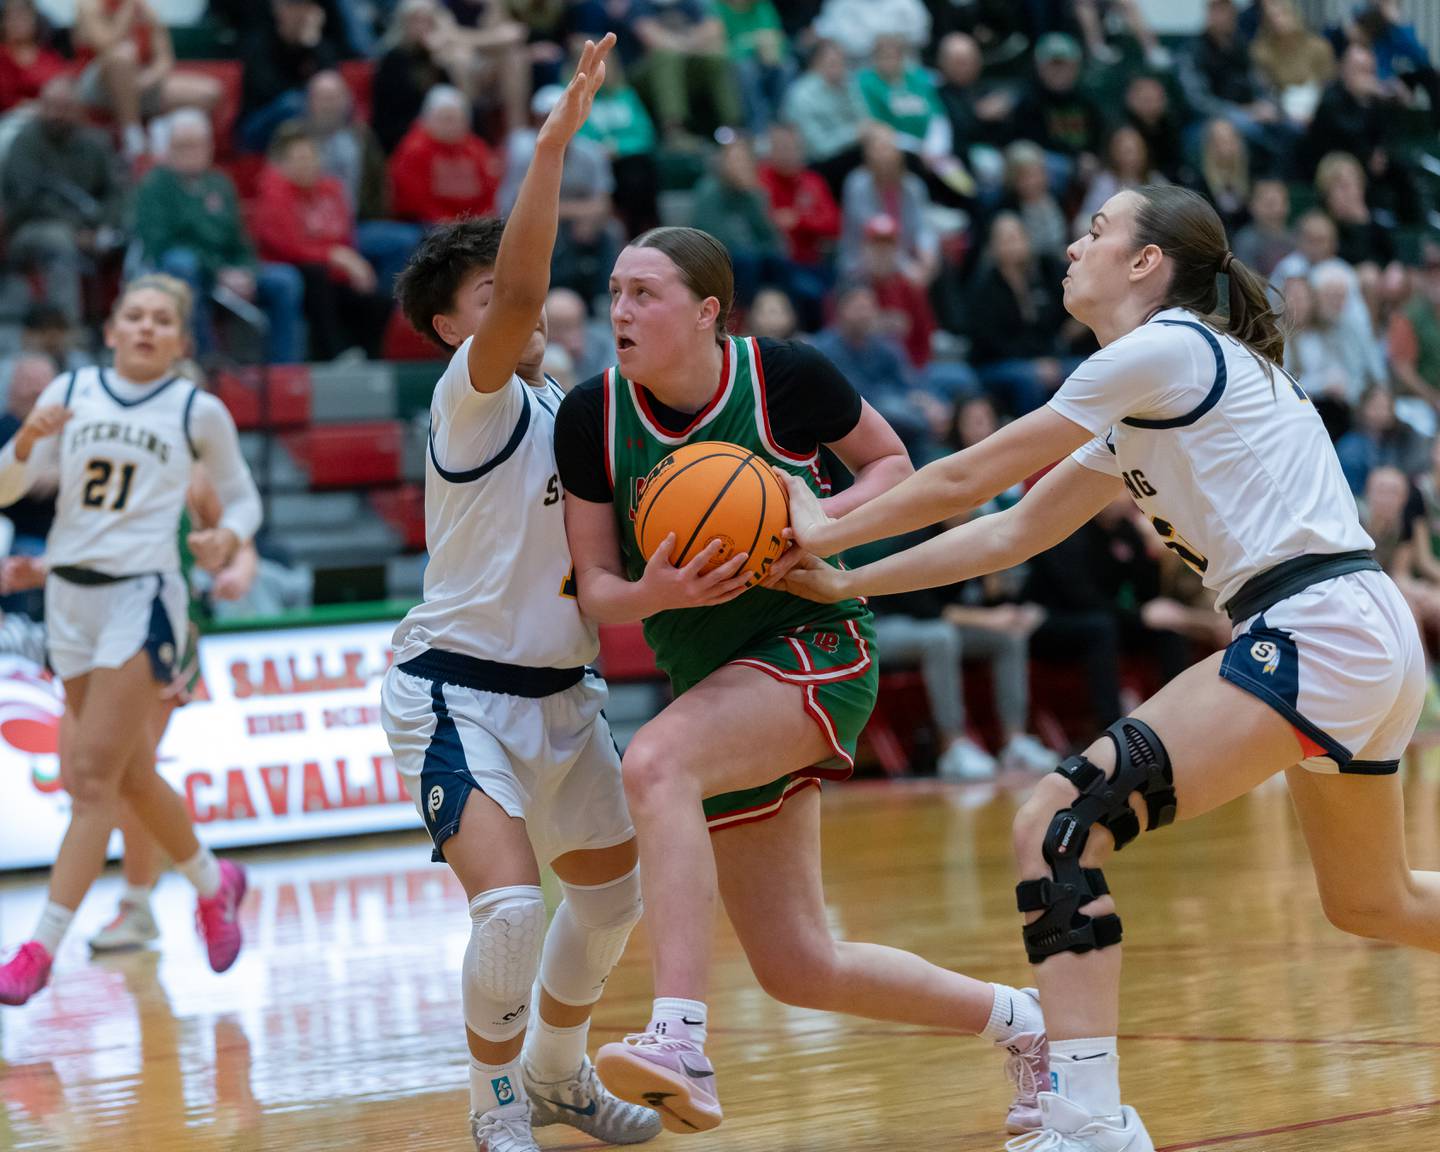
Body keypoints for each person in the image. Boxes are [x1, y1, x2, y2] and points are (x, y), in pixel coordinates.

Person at [776, 183, 1433, 1151]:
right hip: (1352, 627)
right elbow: (1012, 532)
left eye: (1097, 231)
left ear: (1145, 264)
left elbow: (964, 477)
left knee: (1057, 823)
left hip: (1317, 623)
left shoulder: (1164, 350)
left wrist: (825, 524)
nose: (1074, 246)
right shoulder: (1146, 392)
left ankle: (1088, 1121)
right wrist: (847, 582)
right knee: (1372, 900)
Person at [554, 225, 1050, 1138]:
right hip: (711, 678)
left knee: (656, 764)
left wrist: (815, 527)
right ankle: (1025, 1024)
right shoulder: (592, 417)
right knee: (798, 966)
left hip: (813, 643)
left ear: (707, 312)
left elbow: (893, 464)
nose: (619, 311)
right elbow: (597, 592)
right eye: (614, 292)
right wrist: (654, 591)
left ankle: (679, 1039)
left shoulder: (780, 373)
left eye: (644, 294)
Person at [377, 35, 663, 1152]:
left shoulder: (575, 414)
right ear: (457, 327)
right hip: (454, 693)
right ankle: (492, 1106)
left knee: (608, 903)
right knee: (507, 910)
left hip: (561, 692)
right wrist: (551, 144)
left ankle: (554, 1076)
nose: (522, 304)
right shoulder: (471, 399)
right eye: (493, 294)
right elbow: (532, 280)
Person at [0, 274, 263, 1006]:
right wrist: (22, 442)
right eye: (134, 316)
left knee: (89, 778)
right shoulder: (70, 391)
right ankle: (214, 883)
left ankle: (38, 948)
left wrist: (228, 539)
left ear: (180, 341)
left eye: (162, 320)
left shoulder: (196, 409)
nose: (146, 328)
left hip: (143, 597)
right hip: (67, 598)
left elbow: (240, 496)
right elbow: (4, 489)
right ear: (111, 329)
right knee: (129, 773)